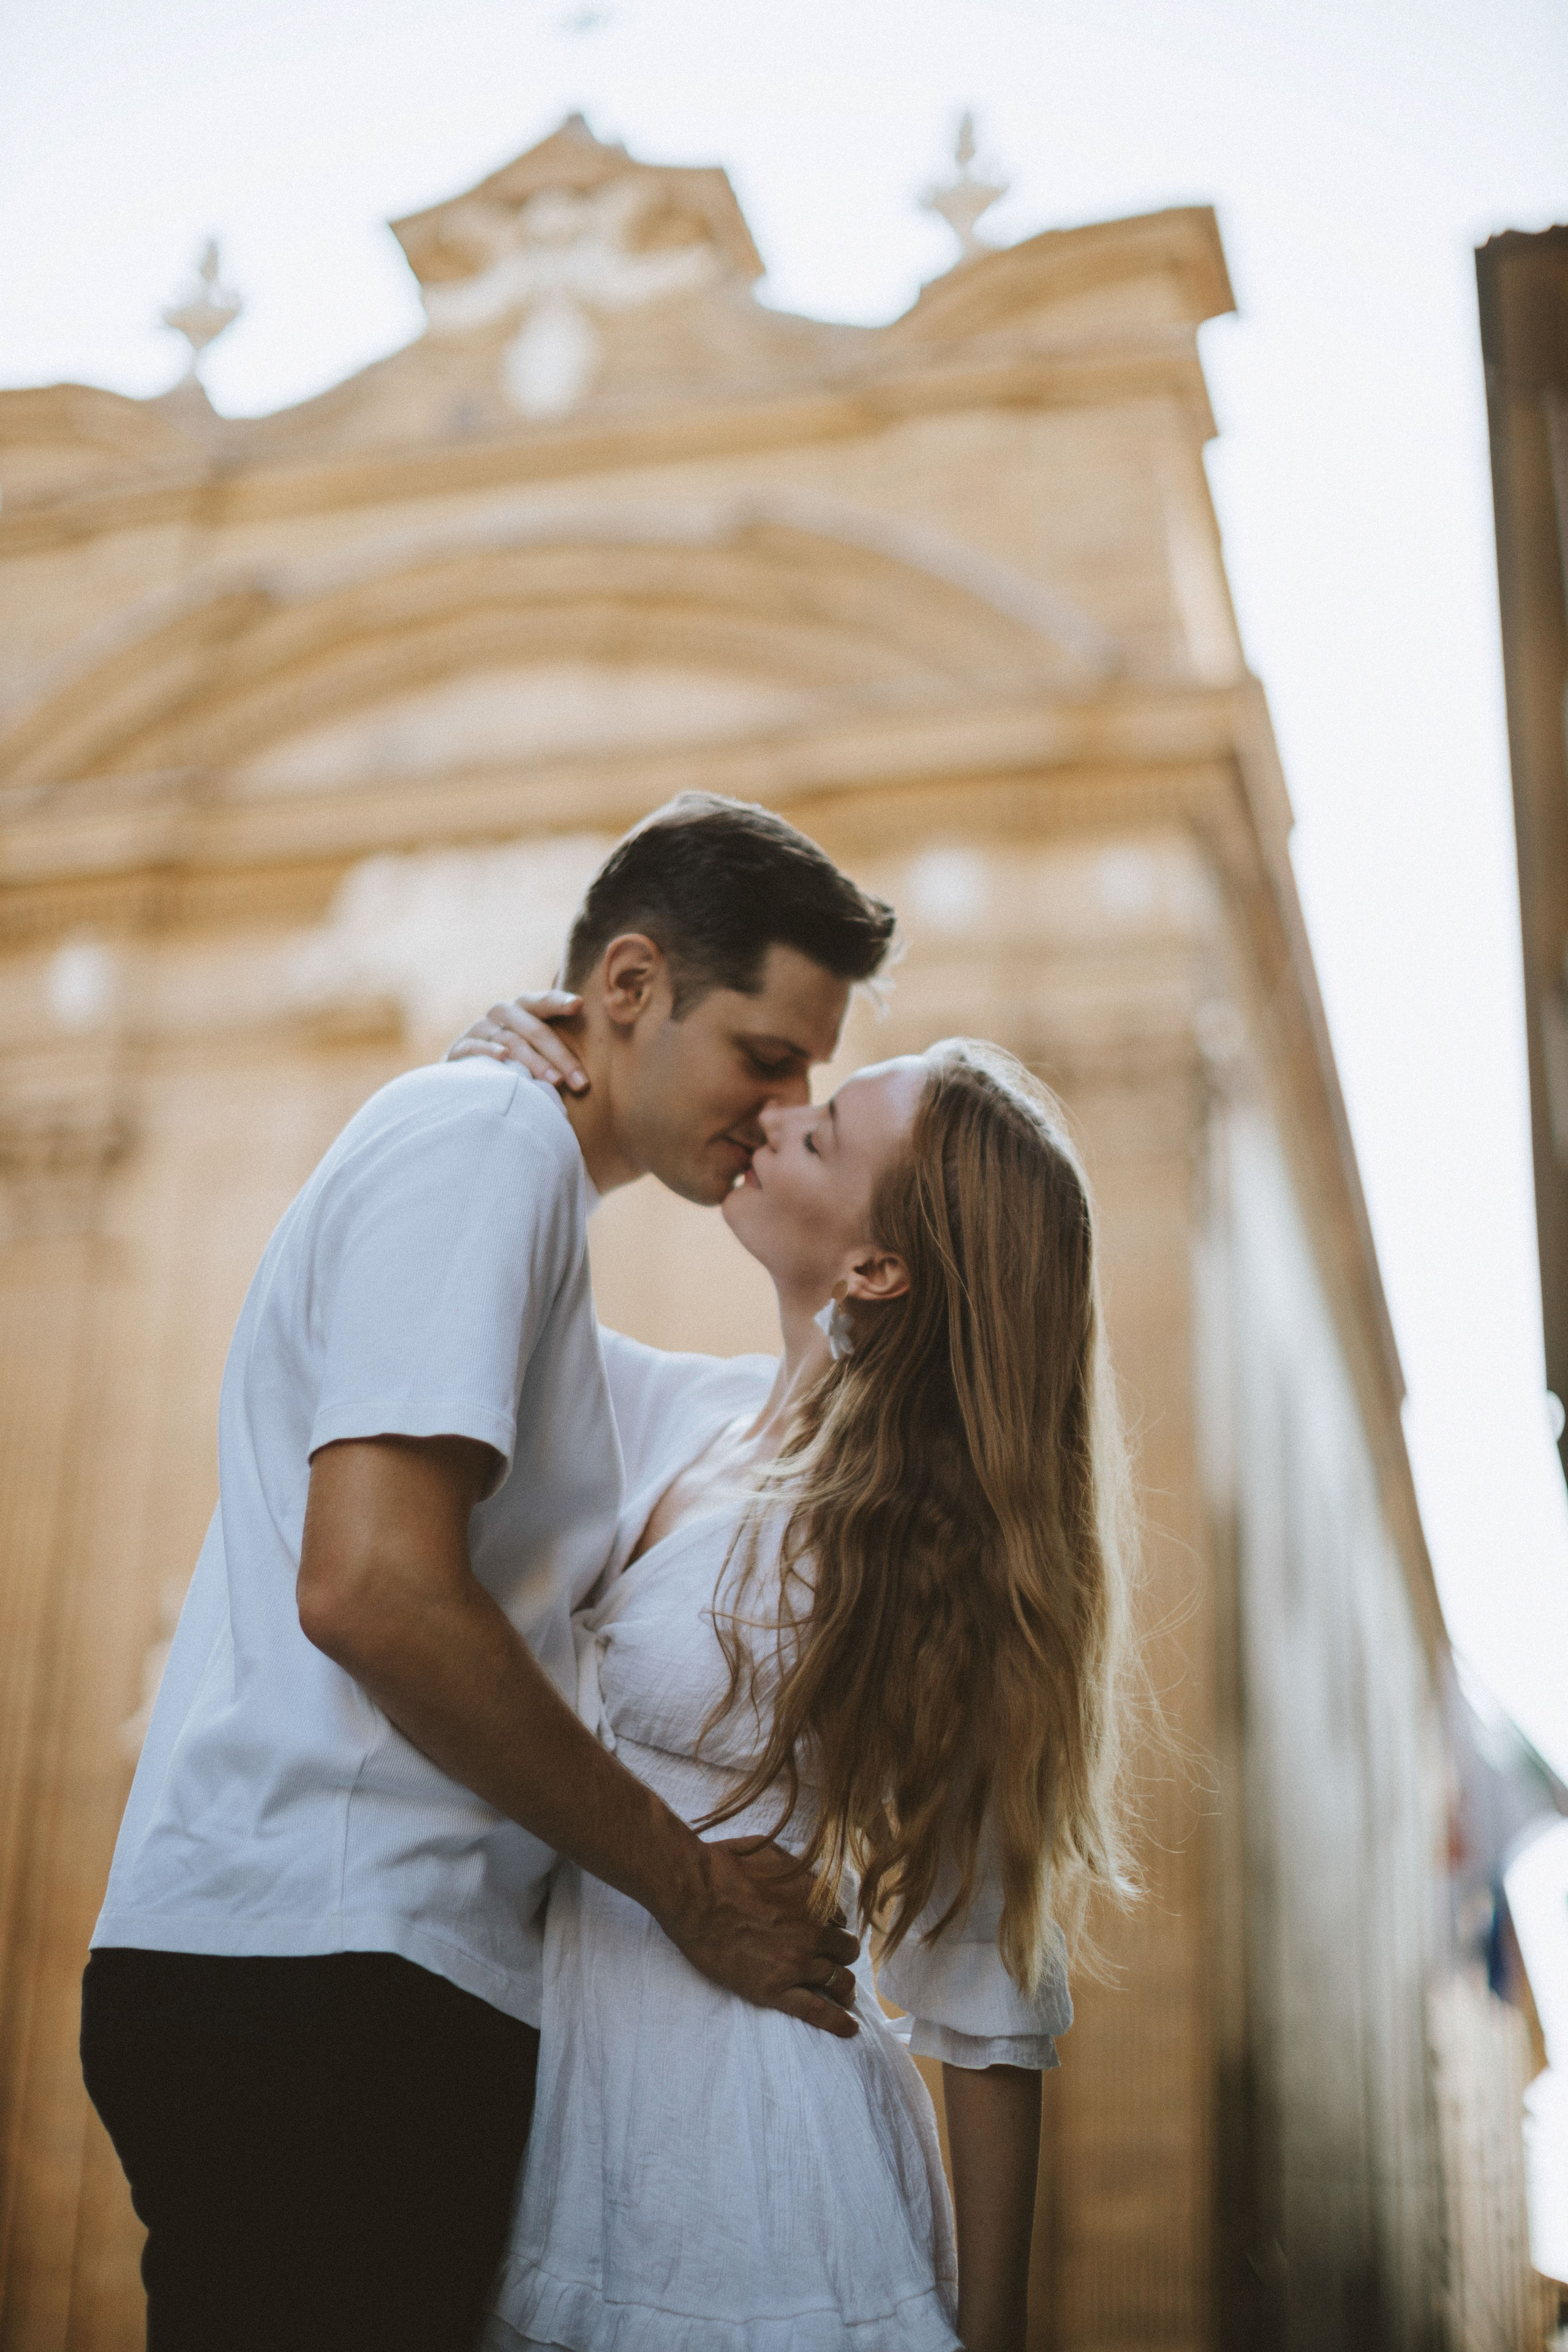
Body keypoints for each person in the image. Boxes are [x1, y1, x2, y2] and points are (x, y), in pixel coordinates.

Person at [80, 793, 896, 2352]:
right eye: (766, 1054)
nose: (785, 1106)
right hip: (326, 1965)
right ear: (633, 988)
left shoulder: (501, 1158)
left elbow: (753, 1424)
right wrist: (692, 1892)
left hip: (344, 1972)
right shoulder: (484, 1145)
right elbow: (374, 1591)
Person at [452, 1011, 1140, 2352]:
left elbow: (987, 1985)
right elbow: (453, 1320)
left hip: (746, 2176)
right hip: (551, 2109)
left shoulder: (912, 1553)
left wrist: (989, 2336)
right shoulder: (672, 1414)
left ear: (876, 1264)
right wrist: (500, 1083)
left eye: (817, 1131)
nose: (771, 1117)